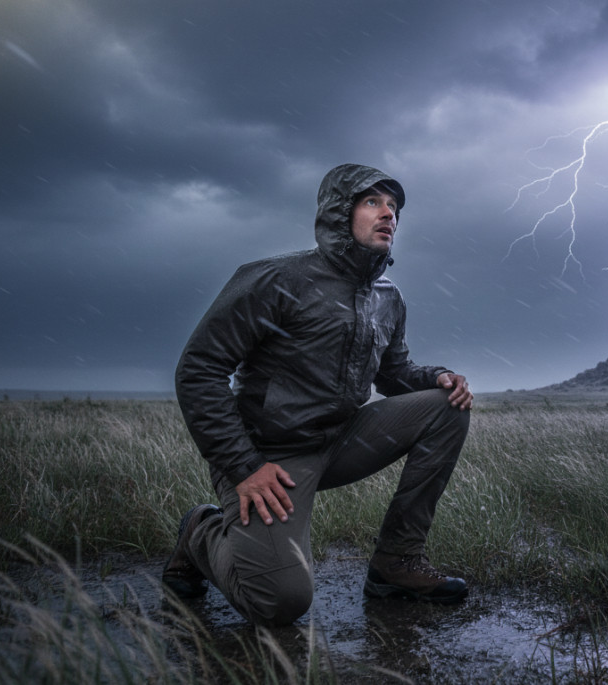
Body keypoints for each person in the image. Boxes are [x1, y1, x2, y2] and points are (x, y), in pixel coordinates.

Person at [163, 163, 473, 627]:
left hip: (343, 440)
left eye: (394, 207)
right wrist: (244, 467)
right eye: (373, 202)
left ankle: (397, 562)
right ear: (338, 212)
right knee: (279, 601)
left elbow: (394, 375)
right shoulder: (273, 279)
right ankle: (200, 531)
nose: (389, 214)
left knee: (446, 408)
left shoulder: (387, 297)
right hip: (269, 459)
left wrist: (440, 376)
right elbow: (199, 370)